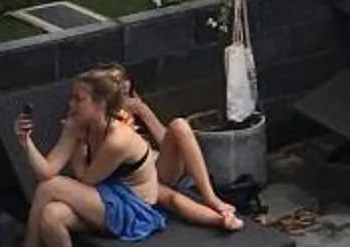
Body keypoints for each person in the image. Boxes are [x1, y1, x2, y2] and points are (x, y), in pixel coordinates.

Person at [13, 74, 203, 247]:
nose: (71, 105)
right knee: (51, 214)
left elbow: (86, 179)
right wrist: (25, 142)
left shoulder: (116, 138)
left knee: (50, 189)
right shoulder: (77, 126)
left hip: (130, 209)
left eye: (78, 99)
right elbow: (47, 170)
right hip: (104, 199)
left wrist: (79, 147)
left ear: (100, 103)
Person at [89, 65, 245, 231]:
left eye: (128, 92)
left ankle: (210, 196)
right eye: (122, 94)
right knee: (174, 200)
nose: (127, 99)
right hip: (137, 177)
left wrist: (143, 111)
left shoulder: (137, 111)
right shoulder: (102, 122)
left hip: (161, 166)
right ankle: (221, 220)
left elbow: (167, 142)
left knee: (179, 125)